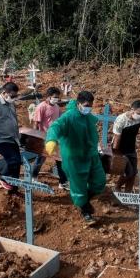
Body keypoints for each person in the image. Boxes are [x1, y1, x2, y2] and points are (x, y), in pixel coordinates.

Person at [45, 91, 105, 225]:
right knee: (79, 186)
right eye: (85, 105)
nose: (88, 108)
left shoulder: (87, 116)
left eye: (90, 105)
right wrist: (51, 140)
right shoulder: (69, 117)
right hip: (74, 158)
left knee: (99, 182)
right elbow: (55, 126)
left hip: (91, 155)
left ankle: (85, 201)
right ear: (78, 104)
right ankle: (85, 211)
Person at [31, 86, 69, 190]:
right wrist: (37, 137)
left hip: (56, 138)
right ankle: (33, 178)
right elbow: (36, 123)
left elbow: (61, 118)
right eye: (54, 97)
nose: (56, 99)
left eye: (57, 97)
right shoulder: (41, 107)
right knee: (40, 159)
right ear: (48, 97)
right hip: (45, 138)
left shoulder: (56, 106)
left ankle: (63, 182)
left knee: (60, 160)